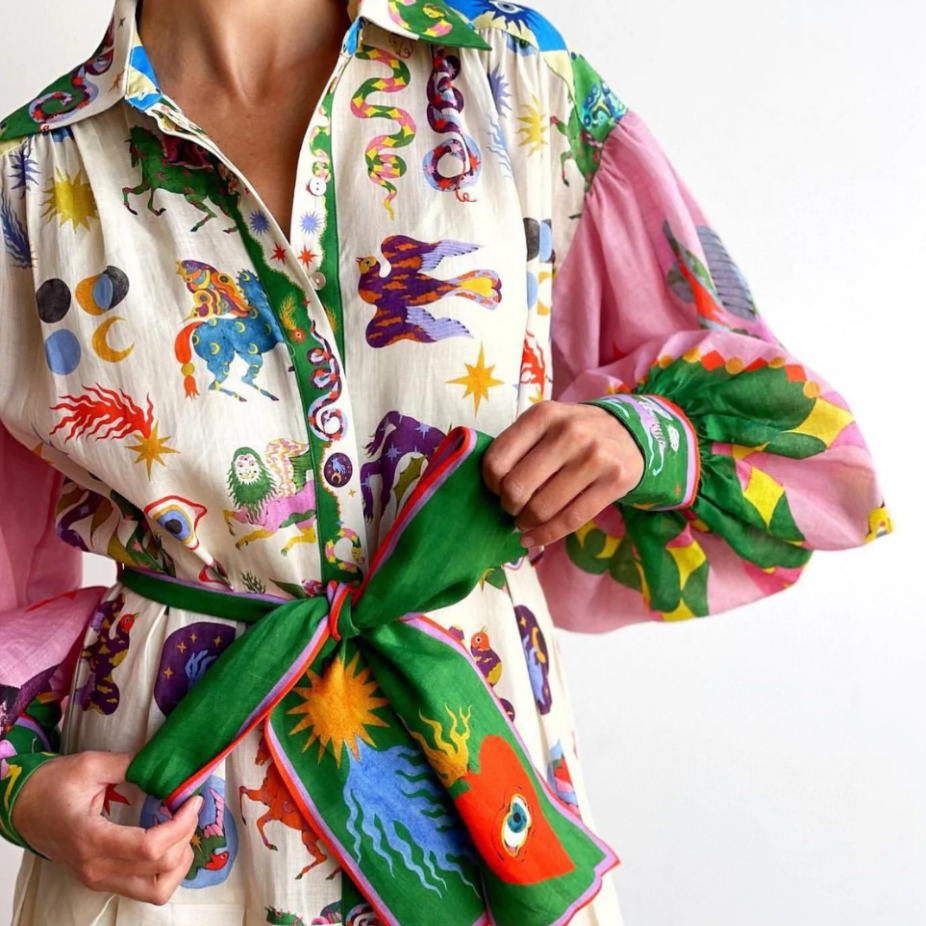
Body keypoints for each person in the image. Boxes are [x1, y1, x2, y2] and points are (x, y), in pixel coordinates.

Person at [0, 0, 893, 923]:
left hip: (482, 784)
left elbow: (788, 439)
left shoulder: (510, 80)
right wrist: (20, 792)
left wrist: (640, 437)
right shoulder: (26, 180)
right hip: (168, 843)